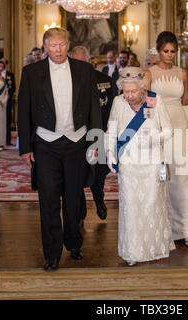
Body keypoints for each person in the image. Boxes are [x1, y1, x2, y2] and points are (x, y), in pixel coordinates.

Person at [18, 28, 102, 272]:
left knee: (74, 197)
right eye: (52, 45)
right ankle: (52, 253)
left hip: (76, 141)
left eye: (62, 45)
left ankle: (74, 243)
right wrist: (25, 147)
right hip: (45, 144)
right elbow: (23, 112)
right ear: (45, 47)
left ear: (68, 45)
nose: (58, 50)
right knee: (49, 199)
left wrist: (95, 142)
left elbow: (94, 110)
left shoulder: (84, 71)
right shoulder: (31, 73)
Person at [106, 67, 175, 266]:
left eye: (133, 92)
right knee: (131, 207)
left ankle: (155, 248)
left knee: (152, 204)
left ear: (142, 88)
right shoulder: (119, 102)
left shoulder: (155, 100)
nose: (128, 96)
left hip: (152, 163)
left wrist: (154, 138)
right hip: (128, 163)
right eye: (125, 91)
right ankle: (132, 251)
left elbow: (169, 130)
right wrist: (111, 153)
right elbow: (111, 130)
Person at [145, 31, 188, 249]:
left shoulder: (182, 73)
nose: (169, 55)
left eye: (173, 51)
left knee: (182, 179)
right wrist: (149, 132)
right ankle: (162, 226)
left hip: (179, 127)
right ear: (158, 51)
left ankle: (186, 229)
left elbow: (185, 103)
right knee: (160, 177)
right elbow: (148, 106)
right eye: (166, 51)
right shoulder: (149, 73)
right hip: (159, 127)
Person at [70, 46, 114, 225]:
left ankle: (99, 200)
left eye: (84, 62)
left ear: (90, 61)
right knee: (77, 173)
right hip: (76, 136)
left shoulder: (105, 80)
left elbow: (111, 109)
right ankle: (79, 211)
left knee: (99, 172)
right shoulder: (66, 81)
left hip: (99, 133)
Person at [0, 58, 16, 146]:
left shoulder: (10, 74)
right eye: (0, 64)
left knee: (8, 120)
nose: (1, 66)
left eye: (3, 64)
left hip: (7, 100)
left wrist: (8, 96)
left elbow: (13, 87)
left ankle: (7, 140)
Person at [0, 60, 9, 149]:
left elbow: (6, 91)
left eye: (2, 67)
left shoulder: (3, 79)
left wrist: (5, 99)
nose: (0, 68)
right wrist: (1, 99)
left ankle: (1, 142)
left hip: (4, 104)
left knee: (3, 123)